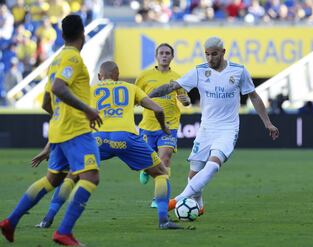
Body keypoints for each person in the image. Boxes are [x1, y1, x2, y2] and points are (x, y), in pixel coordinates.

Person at [33, 61, 183, 230]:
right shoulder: (130, 87)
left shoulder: (89, 90)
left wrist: (47, 150)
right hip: (126, 138)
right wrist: (164, 127)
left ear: (99, 76)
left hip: (98, 139)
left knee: (72, 175)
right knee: (161, 172)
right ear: (117, 75)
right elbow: (158, 110)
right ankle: (163, 220)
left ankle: (47, 219)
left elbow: (64, 120)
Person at [0, 14, 103, 246]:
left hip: (59, 129)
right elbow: (58, 88)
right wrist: (86, 109)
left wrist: (60, 117)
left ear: (63, 35)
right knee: (91, 176)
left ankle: (11, 221)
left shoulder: (56, 60)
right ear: (83, 34)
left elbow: (46, 101)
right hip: (75, 129)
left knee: (53, 179)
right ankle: (64, 231)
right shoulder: (73, 59)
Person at [148, 36, 280, 215]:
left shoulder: (238, 71)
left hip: (227, 129)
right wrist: (147, 97)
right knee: (194, 173)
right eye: (207, 55)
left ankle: (177, 200)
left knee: (212, 165)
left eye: (214, 54)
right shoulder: (199, 71)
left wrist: (268, 123)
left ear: (223, 52)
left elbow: (254, 97)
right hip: (206, 129)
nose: (210, 59)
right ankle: (199, 205)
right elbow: (173, 86)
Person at [135, 43, 191, 208]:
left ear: (172, 57)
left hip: (169, 126)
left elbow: (185, 100)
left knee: (165, 158)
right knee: (150, 161)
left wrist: (186, 101)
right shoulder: (144, 76)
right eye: (162, 53)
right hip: (148, 125)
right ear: (156, 56)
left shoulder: (178, 78)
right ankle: (145, 168)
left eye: (168, 53)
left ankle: (159, 198)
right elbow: (135, 97)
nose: (164, 55)